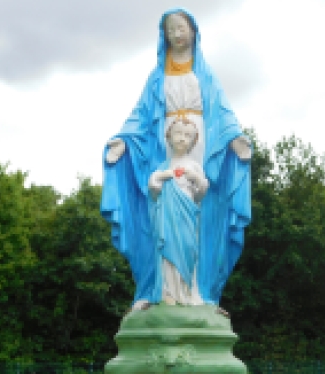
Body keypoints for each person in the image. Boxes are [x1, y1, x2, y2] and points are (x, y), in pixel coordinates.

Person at [101, 8, 251, 311]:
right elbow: (141, 116)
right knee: (161, 215)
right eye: (170, 30)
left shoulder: (205, 75)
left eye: (181, 27)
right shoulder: (157, 78)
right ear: (164, 36)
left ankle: (200, 291)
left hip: (202, 150)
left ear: (194, 31)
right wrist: (123, 141)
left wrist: (235, 138)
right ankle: (157, 289)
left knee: (202, 216)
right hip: (165, 147)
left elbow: (221, 113)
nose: (176, 34)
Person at [148, 118, 208, 308]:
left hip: (187, 215)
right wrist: (167, 175)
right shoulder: (164, 166)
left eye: (187, 135)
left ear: (193, 141)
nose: (182, 139)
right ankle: (169, 292)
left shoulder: (194, 166)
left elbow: (201, 193)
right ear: (169, 137)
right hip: (167, 215)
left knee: (189, 249)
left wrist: (195, 178)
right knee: (168, 251)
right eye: (178, 133)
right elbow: (153, 188)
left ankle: (186, 291)